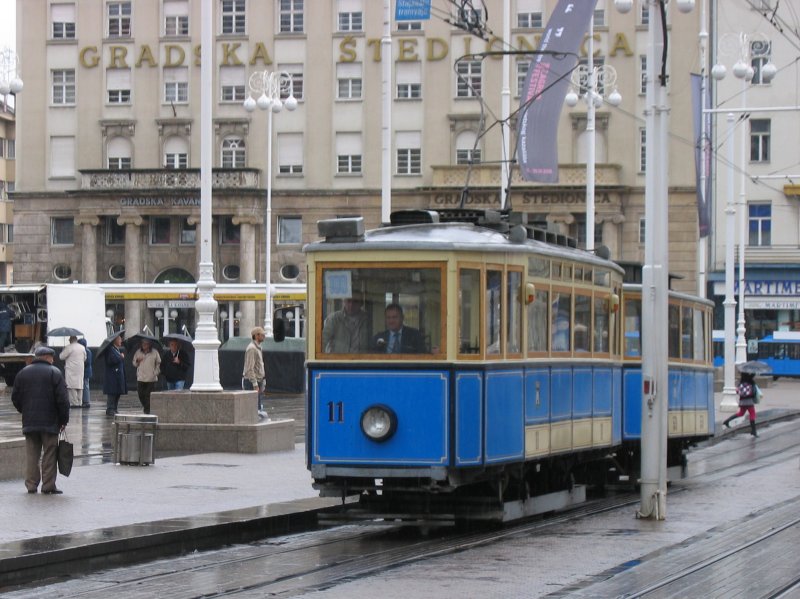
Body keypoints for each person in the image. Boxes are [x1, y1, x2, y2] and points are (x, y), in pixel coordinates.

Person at [11, 346, 70, 494]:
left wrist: (24, 411)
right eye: (52, 357)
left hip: (29, 422)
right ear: (47, 357)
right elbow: (63, 400)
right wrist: (63, 420)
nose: (53, 360)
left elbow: (15, 397)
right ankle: (48, 486)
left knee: (32, 455)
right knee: (50, 453)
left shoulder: (23, 373)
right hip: (50, 422)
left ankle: (31, 485)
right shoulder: (55, 373)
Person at [723, 371, 759, 437]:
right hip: (749, 401)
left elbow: (737, 391)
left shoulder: (741, 382)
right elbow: (754, 392)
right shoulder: (751, 382)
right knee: (752, 414)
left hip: (742, 401)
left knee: (741, 413)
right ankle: (753, 431)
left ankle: (727, 421)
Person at [242, 326, 268, 419]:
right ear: (256, 336)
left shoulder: (258, 347)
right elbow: (249, 368)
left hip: (257, 381)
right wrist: (255, 384)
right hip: (251, 383)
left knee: (257, 408)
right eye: (262, 334)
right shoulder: (252, 348)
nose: (264, 336)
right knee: (253, 409)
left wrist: (262, 380)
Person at [132, 339, 161, 414]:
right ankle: (146, 407)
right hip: (141, 377)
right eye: (143, 343)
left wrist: (155, 372)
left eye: (146, 343)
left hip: (151, 378)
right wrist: (137, 361)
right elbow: (134, 363)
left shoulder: (155, 352)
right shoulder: (138, 352)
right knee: (141, 394)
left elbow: (158, 363)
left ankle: (147, 410)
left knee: (148, 395)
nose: (144, 345)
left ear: (149, 344)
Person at [103, 333, 127, 416]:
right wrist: (120, 357)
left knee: (117, 393)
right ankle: (110, 409)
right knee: (112, 393)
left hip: (118, 376)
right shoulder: (110, 349)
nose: (121, 341)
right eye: (119, 339)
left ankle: (114, 408)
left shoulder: (117, 349)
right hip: (112, 377)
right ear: (115, 340)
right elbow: (111, 360)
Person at [59, 335, 86, 409]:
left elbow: (61, 357)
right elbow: (85, 358)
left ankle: (74, 403)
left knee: (71, 386)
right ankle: (80, 402)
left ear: (71, 340)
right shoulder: (82, 347)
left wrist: (63, 350)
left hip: (71, 369)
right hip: (80, 369)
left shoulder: (69, 347)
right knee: (80, 386)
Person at [79, 338, 92, 408]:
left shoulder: (86, 351)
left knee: (85, 386)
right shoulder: (87, 350)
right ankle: (85, 400)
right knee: (85, 385)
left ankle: (86, 401)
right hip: (86, 371)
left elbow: (87, 362)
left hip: (85, 371)